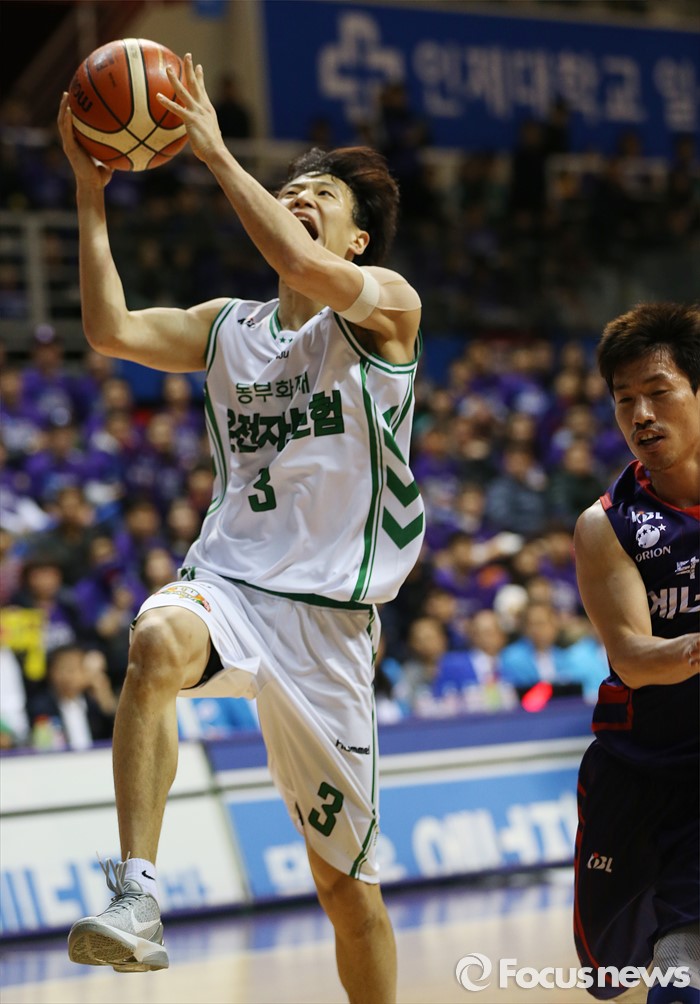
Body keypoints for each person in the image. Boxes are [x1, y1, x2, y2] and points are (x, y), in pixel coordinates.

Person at [57, 53, 424, 1003]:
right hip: (230, 582)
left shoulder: (386, 308)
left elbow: (299, 265)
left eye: (322, 195)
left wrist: (215, 152)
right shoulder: (230, 327)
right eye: (291, 188)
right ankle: (137, 896)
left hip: (329, 625)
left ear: (359, 239)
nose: (301, 198)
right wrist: (90, 195)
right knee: (155, 640)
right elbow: (109, 330)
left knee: (346, 894)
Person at [571, 302, 699, 1003]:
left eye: (659, 391)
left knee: (684, 972)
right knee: (609, 973)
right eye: (625, 401)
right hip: (641, 769)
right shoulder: (607, 524)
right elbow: (632, 657)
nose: (641, 415)